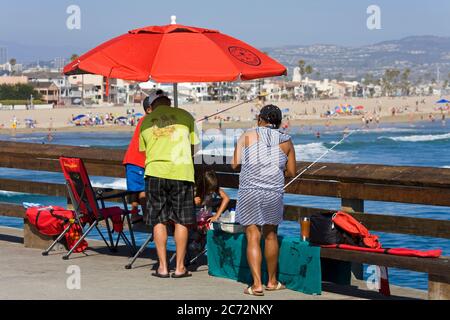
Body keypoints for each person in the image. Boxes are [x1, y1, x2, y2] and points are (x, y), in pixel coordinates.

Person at [231, 104, 296, 296]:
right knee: (270, 235)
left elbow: (235, 164)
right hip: (273, 192)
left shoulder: (247, 135)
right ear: (278, 122)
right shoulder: (286, 140)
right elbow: (292, 172)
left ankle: (257, 284)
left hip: (250, 191)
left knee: (252, 236)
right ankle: (272, 281)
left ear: (260, 119)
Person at [140, 93, 200, 279]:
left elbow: (144, 150)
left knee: (159, 220)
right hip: (181, 172)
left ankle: (163, 267)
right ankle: (180, 267)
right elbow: (194, 148)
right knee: (181, 220)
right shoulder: (185, 116)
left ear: (153, 106)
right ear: (169, 103)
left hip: (155, 172)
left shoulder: (146, 121)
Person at [123, 91, 162, 224]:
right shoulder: (147, 120)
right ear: (149, 109)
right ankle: (146, 215)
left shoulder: (143, 120)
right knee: (143, 190)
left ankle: (134, 213)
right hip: (139, 161)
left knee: (135, 189)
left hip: (131, 160)